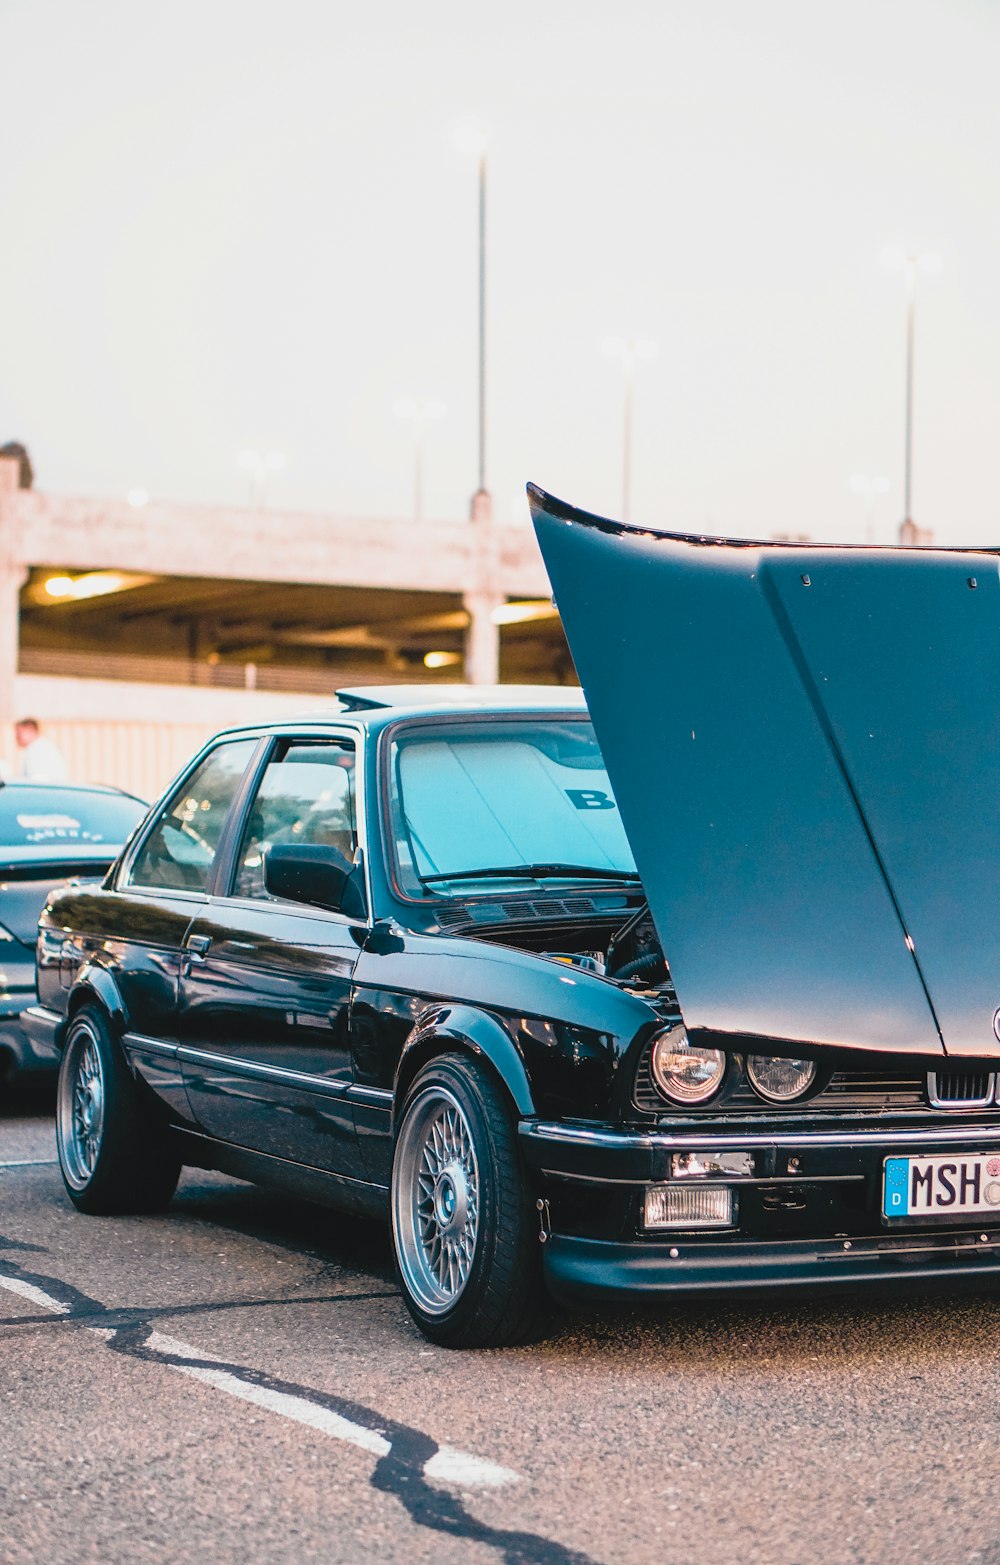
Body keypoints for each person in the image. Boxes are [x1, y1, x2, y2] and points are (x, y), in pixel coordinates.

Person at [14, 717, 69, 782]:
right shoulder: (42, 746)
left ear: (31, 731)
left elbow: (34, 779)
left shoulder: (36, 750)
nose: (16, 737)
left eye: (19, 733)